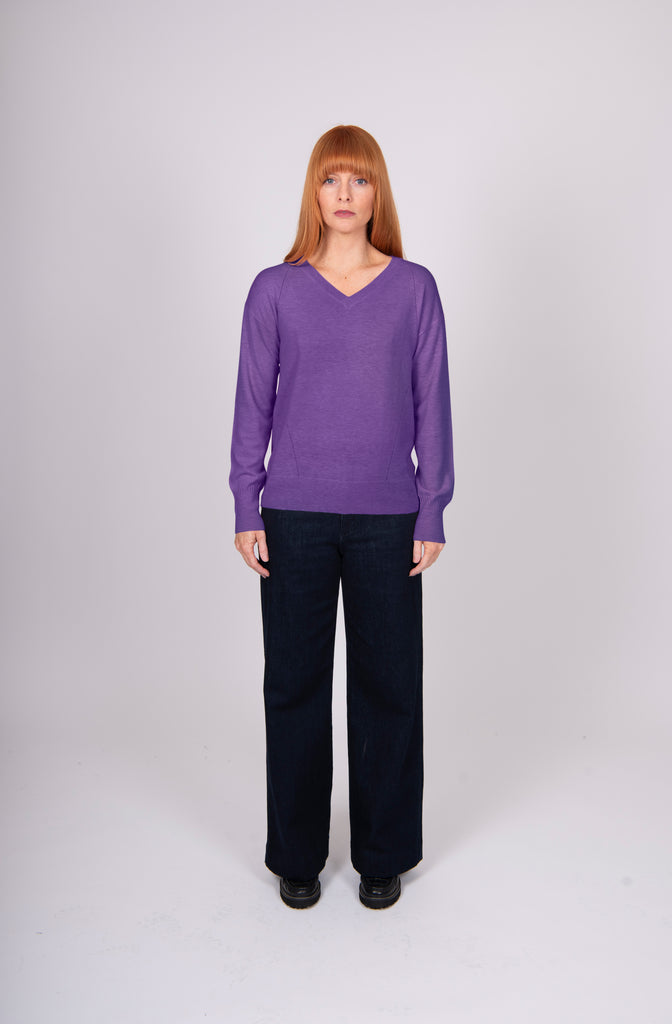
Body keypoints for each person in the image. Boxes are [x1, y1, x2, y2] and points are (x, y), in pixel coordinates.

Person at [229, 124, 454, 910]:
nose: (346, 194)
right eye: (332, 180)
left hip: (389, 517)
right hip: (292, 515)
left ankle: (382, 853)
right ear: (314, 193)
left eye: (360, 180)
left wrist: (432, 508)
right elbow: (253, 404)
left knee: (389, 689)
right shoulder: (275, 289)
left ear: (377, 191)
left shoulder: (414, 288)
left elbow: (432, 403)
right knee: (293, 687)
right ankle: (296, 853)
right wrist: (245, 501)